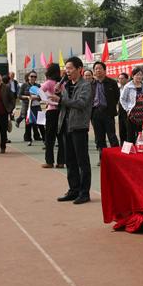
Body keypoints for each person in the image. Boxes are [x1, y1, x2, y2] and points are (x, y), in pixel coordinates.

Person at [51, 57, 93, 205]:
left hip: (79, 126)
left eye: (70, 68)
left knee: (82, 161)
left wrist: (60, 100)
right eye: (66, 68)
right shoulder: (66, 85)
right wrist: (57, 95)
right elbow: (64, 104)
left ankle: (84, 193)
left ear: (79, 69)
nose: (67, 71)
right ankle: (73, 190)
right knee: (69, 160)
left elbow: (81, 103)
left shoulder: (85, 85)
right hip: (65, 126)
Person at [91, 61, 120, 163]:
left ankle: (116, 157)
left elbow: (116, 97)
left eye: (100, 68)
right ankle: (102, 158)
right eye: (96, 69)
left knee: (112, 136)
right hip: (95, 112)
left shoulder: (112, 83)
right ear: (94, 71)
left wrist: (110, 107)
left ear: (104, 70)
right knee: (99, 138)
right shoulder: (91, 84)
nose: (98, 70)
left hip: (108, 112)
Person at [40, 63, 65, 169]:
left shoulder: (49, 82)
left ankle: (49, 161)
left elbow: (40, 91)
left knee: (49, 137)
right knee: (61, 137)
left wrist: (47, 99)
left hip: (51, 111)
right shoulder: (62, 83)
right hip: (62, 111)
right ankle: (61, 162)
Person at [120, 67, 143, 144]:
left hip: (142, 114)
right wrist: (127, 109)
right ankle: (131, 149)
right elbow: (122, 99)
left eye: (140, 75)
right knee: (131, 135)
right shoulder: (128, 86)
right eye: (137, 75)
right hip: (132, 115)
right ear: (132, 76)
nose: (139, 76)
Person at [19, 71, 45, 146]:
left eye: (35, 77)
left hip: (37, 106)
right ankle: (29, 139)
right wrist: (27, 97)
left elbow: (42, 96)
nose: (33, 78)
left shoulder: (38, 85)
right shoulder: (24, 85)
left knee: (41, 123)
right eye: (32, 76)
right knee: (28, 124)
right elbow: (19, 95)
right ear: (28, 77)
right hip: (28, 107)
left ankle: (45, 139)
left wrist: (36, 97)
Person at [117, 72, 129, 145]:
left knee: (128, 129)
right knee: (121, 129)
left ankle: (129, 145)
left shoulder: (130, 88)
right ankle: (122, 145)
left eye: (122, 78)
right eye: (119, 79)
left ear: (127, 79)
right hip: (121, 111)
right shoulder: (118, 89)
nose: (120, 80)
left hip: (128, 111)